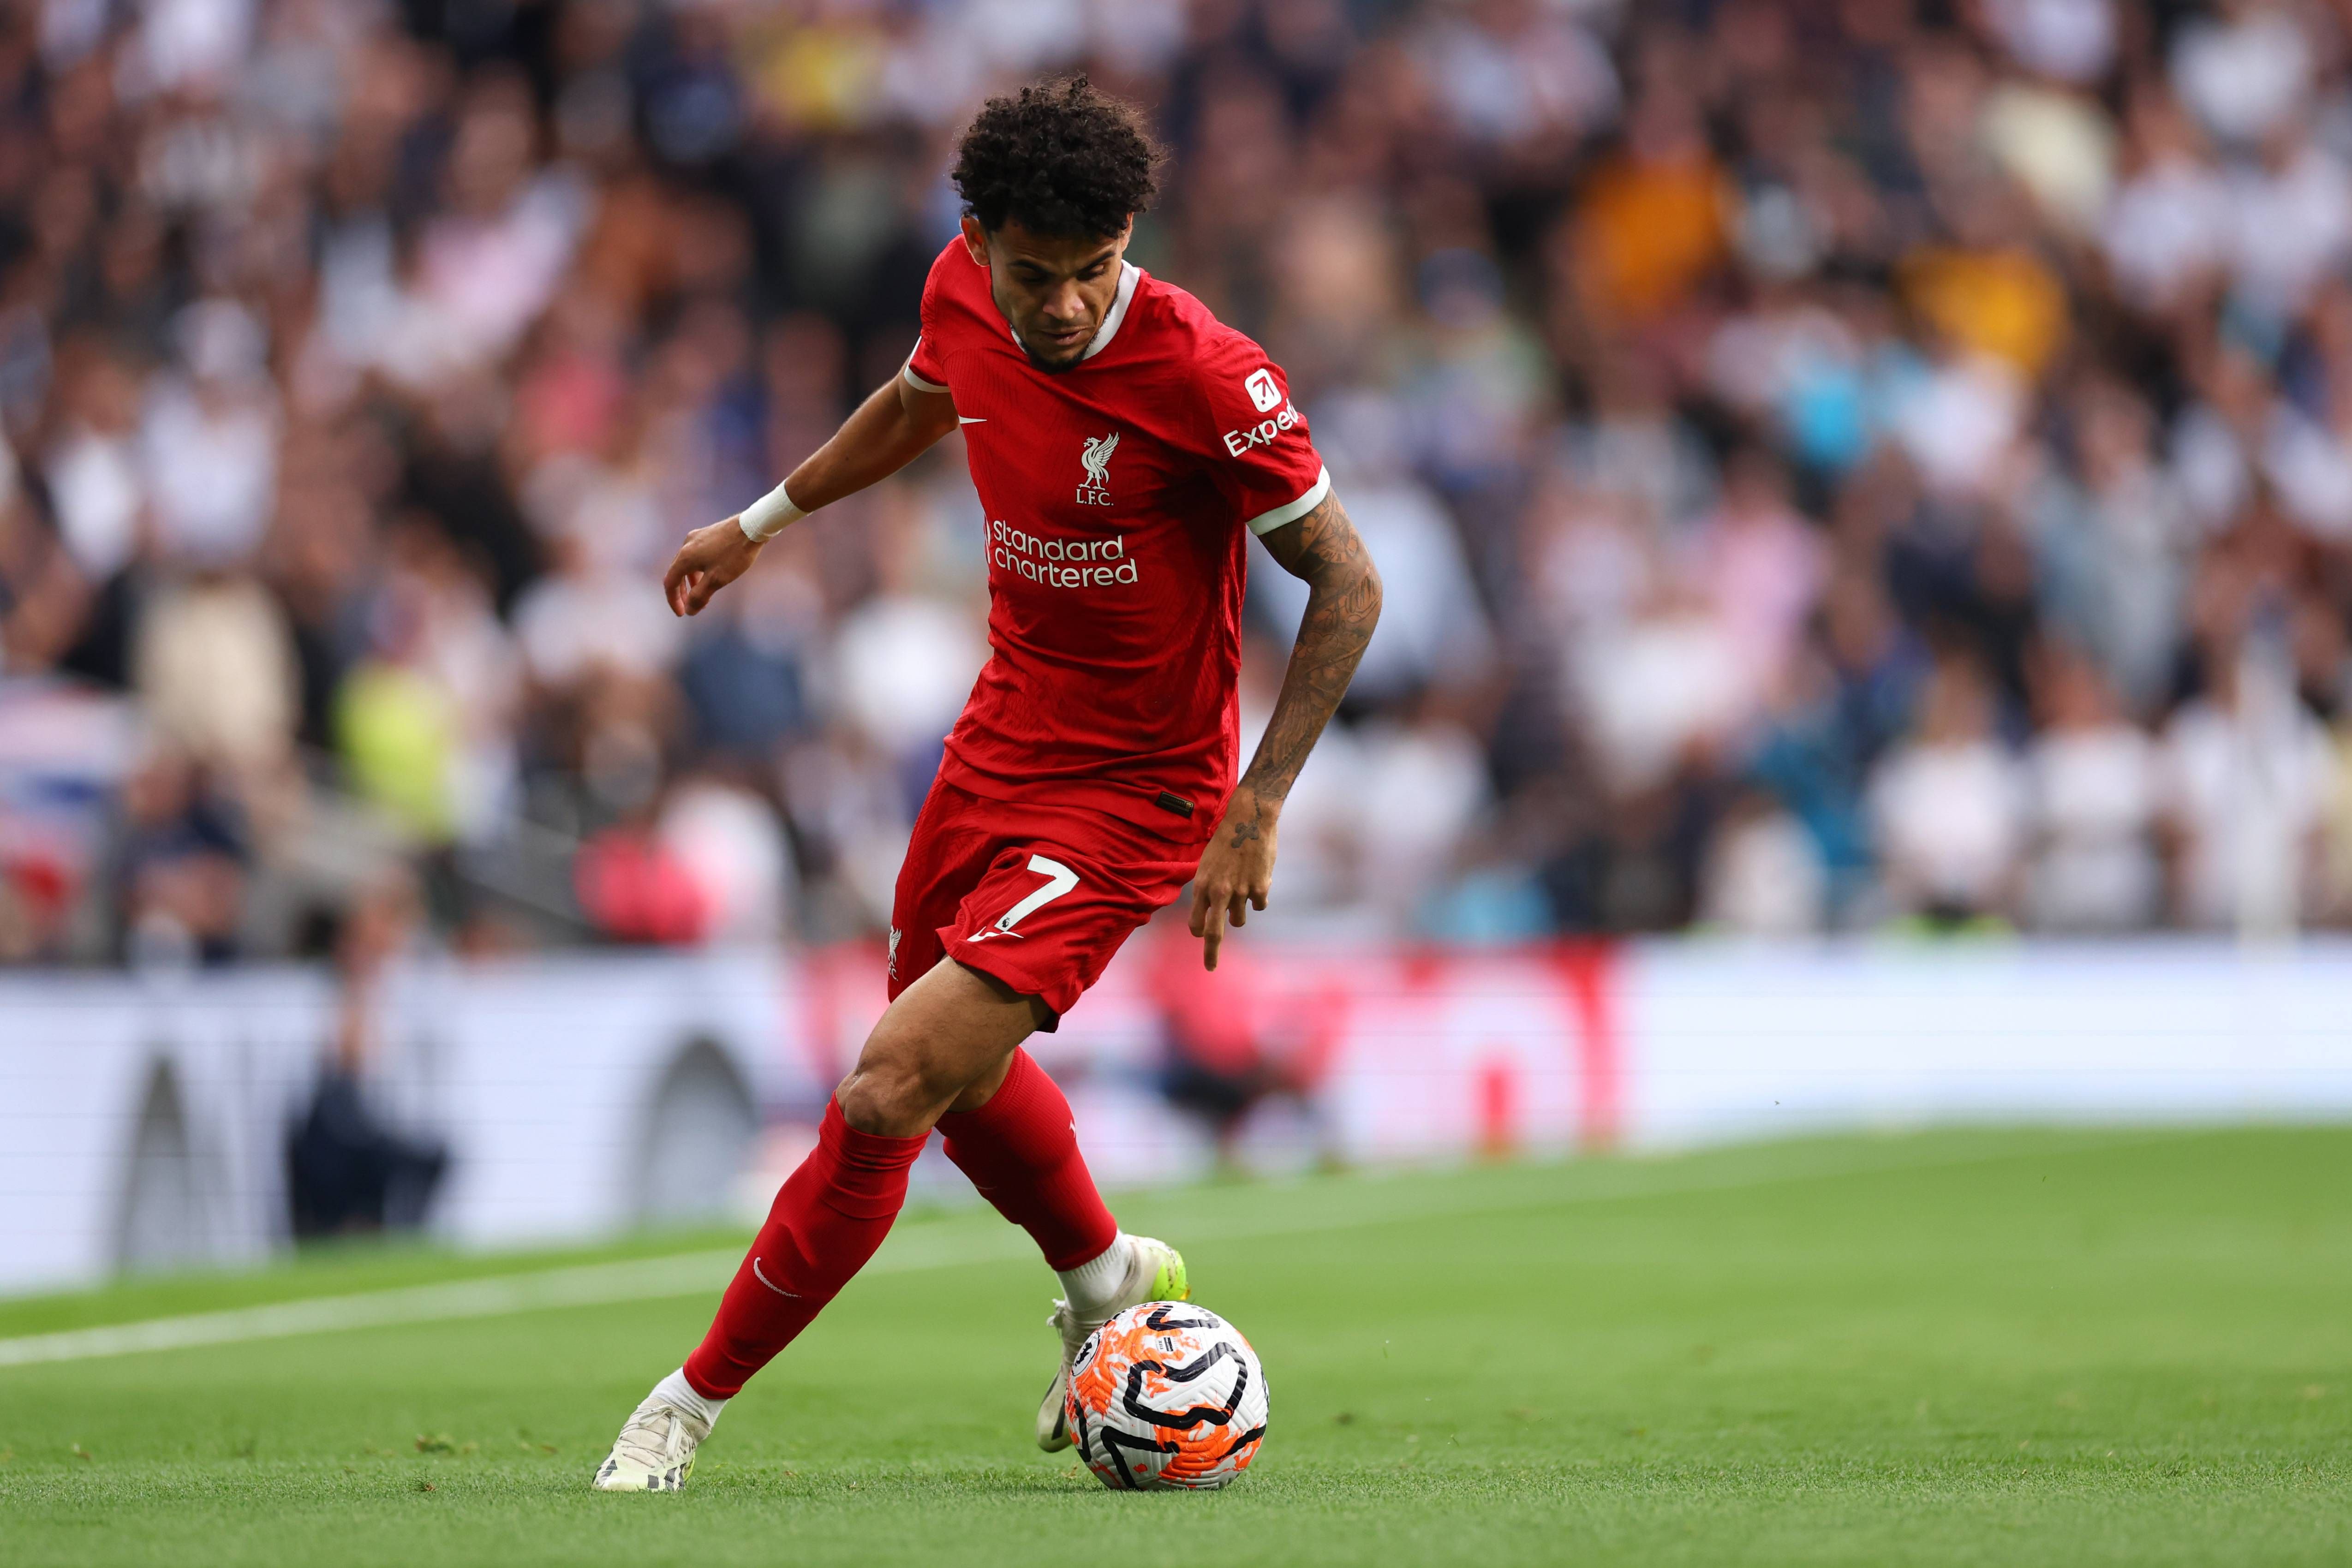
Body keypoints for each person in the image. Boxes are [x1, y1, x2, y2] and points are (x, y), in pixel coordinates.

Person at [593, 78, 1380, 1492]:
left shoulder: (1207, 374)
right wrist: (760, 522)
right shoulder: (958, 293)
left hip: (1138, 790)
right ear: (977, 242)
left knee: (890, 1083)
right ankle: (1104, 1273)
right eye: (1036, 273)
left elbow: (1348, 584)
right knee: (951, 1072)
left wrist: (1256, 804)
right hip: (997, 743)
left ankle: (683, 1407)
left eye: (1095, 270)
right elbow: (919, 402)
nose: (1066, 304)